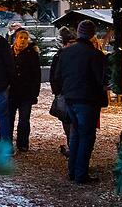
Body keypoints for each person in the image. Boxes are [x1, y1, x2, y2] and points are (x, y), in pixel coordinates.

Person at [51, 20, 107, 184]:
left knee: (75, 135)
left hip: (70, 99)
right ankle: (81, 173)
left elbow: (57, 76)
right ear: (91, 34)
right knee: (87, 137)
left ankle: (72, 171)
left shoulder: (66, 52)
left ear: (79, 33)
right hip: (88, 100)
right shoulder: (96, 55)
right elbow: (100, 79)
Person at [8, 29, 41, 152]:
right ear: (15, 38)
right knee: (9, 118)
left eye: (25, 38)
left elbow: (36, 75)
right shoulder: (9, 52)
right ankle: (7, 142)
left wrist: (34, 94)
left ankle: (22, 143)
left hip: (25, 93)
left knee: (24, 119)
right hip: (11, 92)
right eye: (20, 37)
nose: (23, 40)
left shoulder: (32, 54)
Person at [50, 26, 76, 157]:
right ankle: (72, 145)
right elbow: (54, 75)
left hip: (69, 93)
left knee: (70, 122)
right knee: (67, 120)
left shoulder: (72, 55)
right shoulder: (59, 56)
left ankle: (73, 146)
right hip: (64, 93)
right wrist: (58, 91)